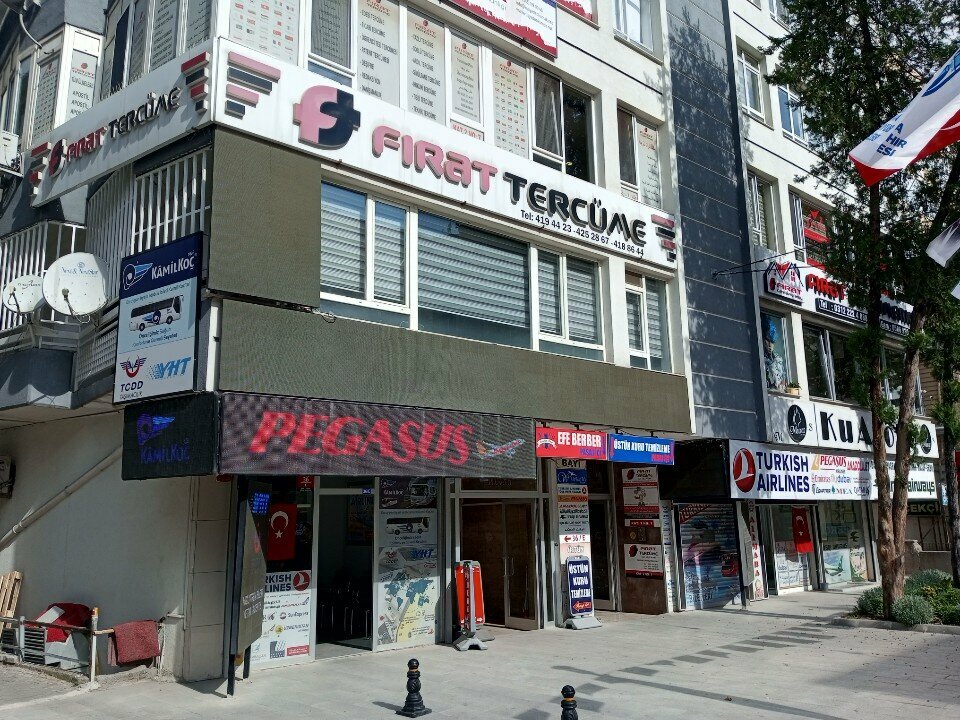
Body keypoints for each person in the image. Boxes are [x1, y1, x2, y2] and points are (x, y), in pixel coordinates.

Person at [763, 316, 788, 391]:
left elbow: (783, 377)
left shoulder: (778, 359)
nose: (770, 345)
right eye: (768, 341)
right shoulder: (761, 359)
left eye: (772, 342)